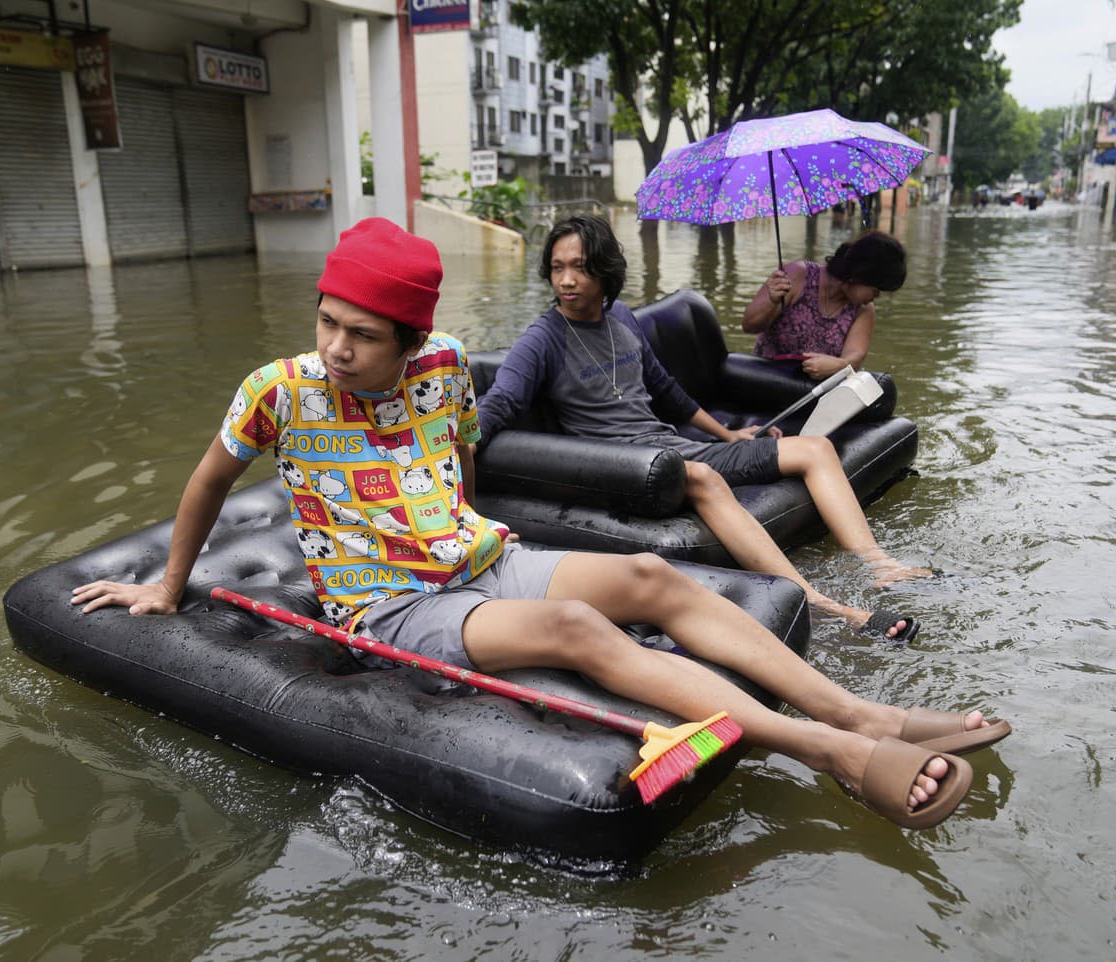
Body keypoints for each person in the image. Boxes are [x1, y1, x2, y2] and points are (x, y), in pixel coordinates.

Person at [71, 216, 1008, 830]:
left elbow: (463, 451)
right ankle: (836, 751)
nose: (336, 348)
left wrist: (467, 526)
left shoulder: (442, 363)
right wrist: (167, 586)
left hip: (473, 559)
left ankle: (861, 710)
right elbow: (207, 479)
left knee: (652, 576)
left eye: (361, 334)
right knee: (577, 626)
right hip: (389, 604)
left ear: (409, 339)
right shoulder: (281, 391)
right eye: (327, 323)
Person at [477, 214, 928, 641]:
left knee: (814, 448)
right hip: (626, 468)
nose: (566, 280)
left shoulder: (621, 319)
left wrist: (729, 435)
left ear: (604, 268)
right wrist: (449, 453)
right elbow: (498, 405)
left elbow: (666, 391)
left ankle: (878, 565)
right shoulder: (542, 338)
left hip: (670, 447)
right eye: (557, 268)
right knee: (702, 477)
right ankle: (816, 602)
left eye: (579, 267)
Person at [743, 230, 907, 380]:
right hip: (767, 379)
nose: (875, 297)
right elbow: (749, 326)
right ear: (859, 276)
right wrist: (772, 302)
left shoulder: (863, 309)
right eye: (876, 290)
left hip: (813, 391)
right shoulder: (796, 275)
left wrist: (839, 365)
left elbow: (855, 355)